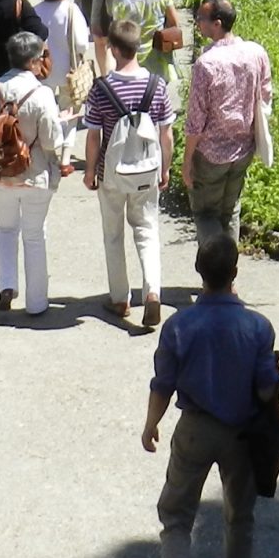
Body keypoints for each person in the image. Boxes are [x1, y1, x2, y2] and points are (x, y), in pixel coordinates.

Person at [142, 232, 279, 558]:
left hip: (195, 428)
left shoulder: (179, 325)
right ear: (235, 273)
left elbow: (162, 384)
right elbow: (265, 391)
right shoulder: (258, 326)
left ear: (199, 273)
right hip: (242, 433)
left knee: (177, 516)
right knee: (239, 516)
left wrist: (151, 424)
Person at [0, 29, 72, 316]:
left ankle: (6, 286)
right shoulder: (42, 94)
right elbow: (52, 141)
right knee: (34, 235)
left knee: (5, 229)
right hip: (34, 174)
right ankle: (37, 303)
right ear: (34, 61)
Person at [81, 19, 172, 330]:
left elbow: (93, 136)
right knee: (147, 230)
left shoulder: (101, 89)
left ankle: (120, 298)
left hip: (112, 172)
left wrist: (90, 171)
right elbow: (166, 134)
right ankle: (153, 292)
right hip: (147, 170)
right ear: (138, 47)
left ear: (113, 49)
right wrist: (165, 167)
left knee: (113, 234)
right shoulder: (157, 86)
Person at [182, 0, 271, 248]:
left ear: (217, 23)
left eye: (201, 19)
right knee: (230, 210)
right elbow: (265, 97)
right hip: (243, 148)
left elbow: (196, 120)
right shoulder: (256, 53)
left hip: (210, 153)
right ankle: (228, 274)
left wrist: (187, 160)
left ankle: (215, 274)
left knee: (205, 214)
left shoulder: (206, 64)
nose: (198, 23)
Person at [112, 0, 183, 106]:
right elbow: (174, 22)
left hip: (131, 55)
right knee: (158, 99)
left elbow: (118, 32)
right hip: (158, 54)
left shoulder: (121, 2)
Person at [32, 0, 94, 113]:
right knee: (69, 110)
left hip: (42, 70)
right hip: (69, 69)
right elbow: (81, 44)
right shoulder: (71, 10)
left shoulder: (35, 11)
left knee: (45, 109)